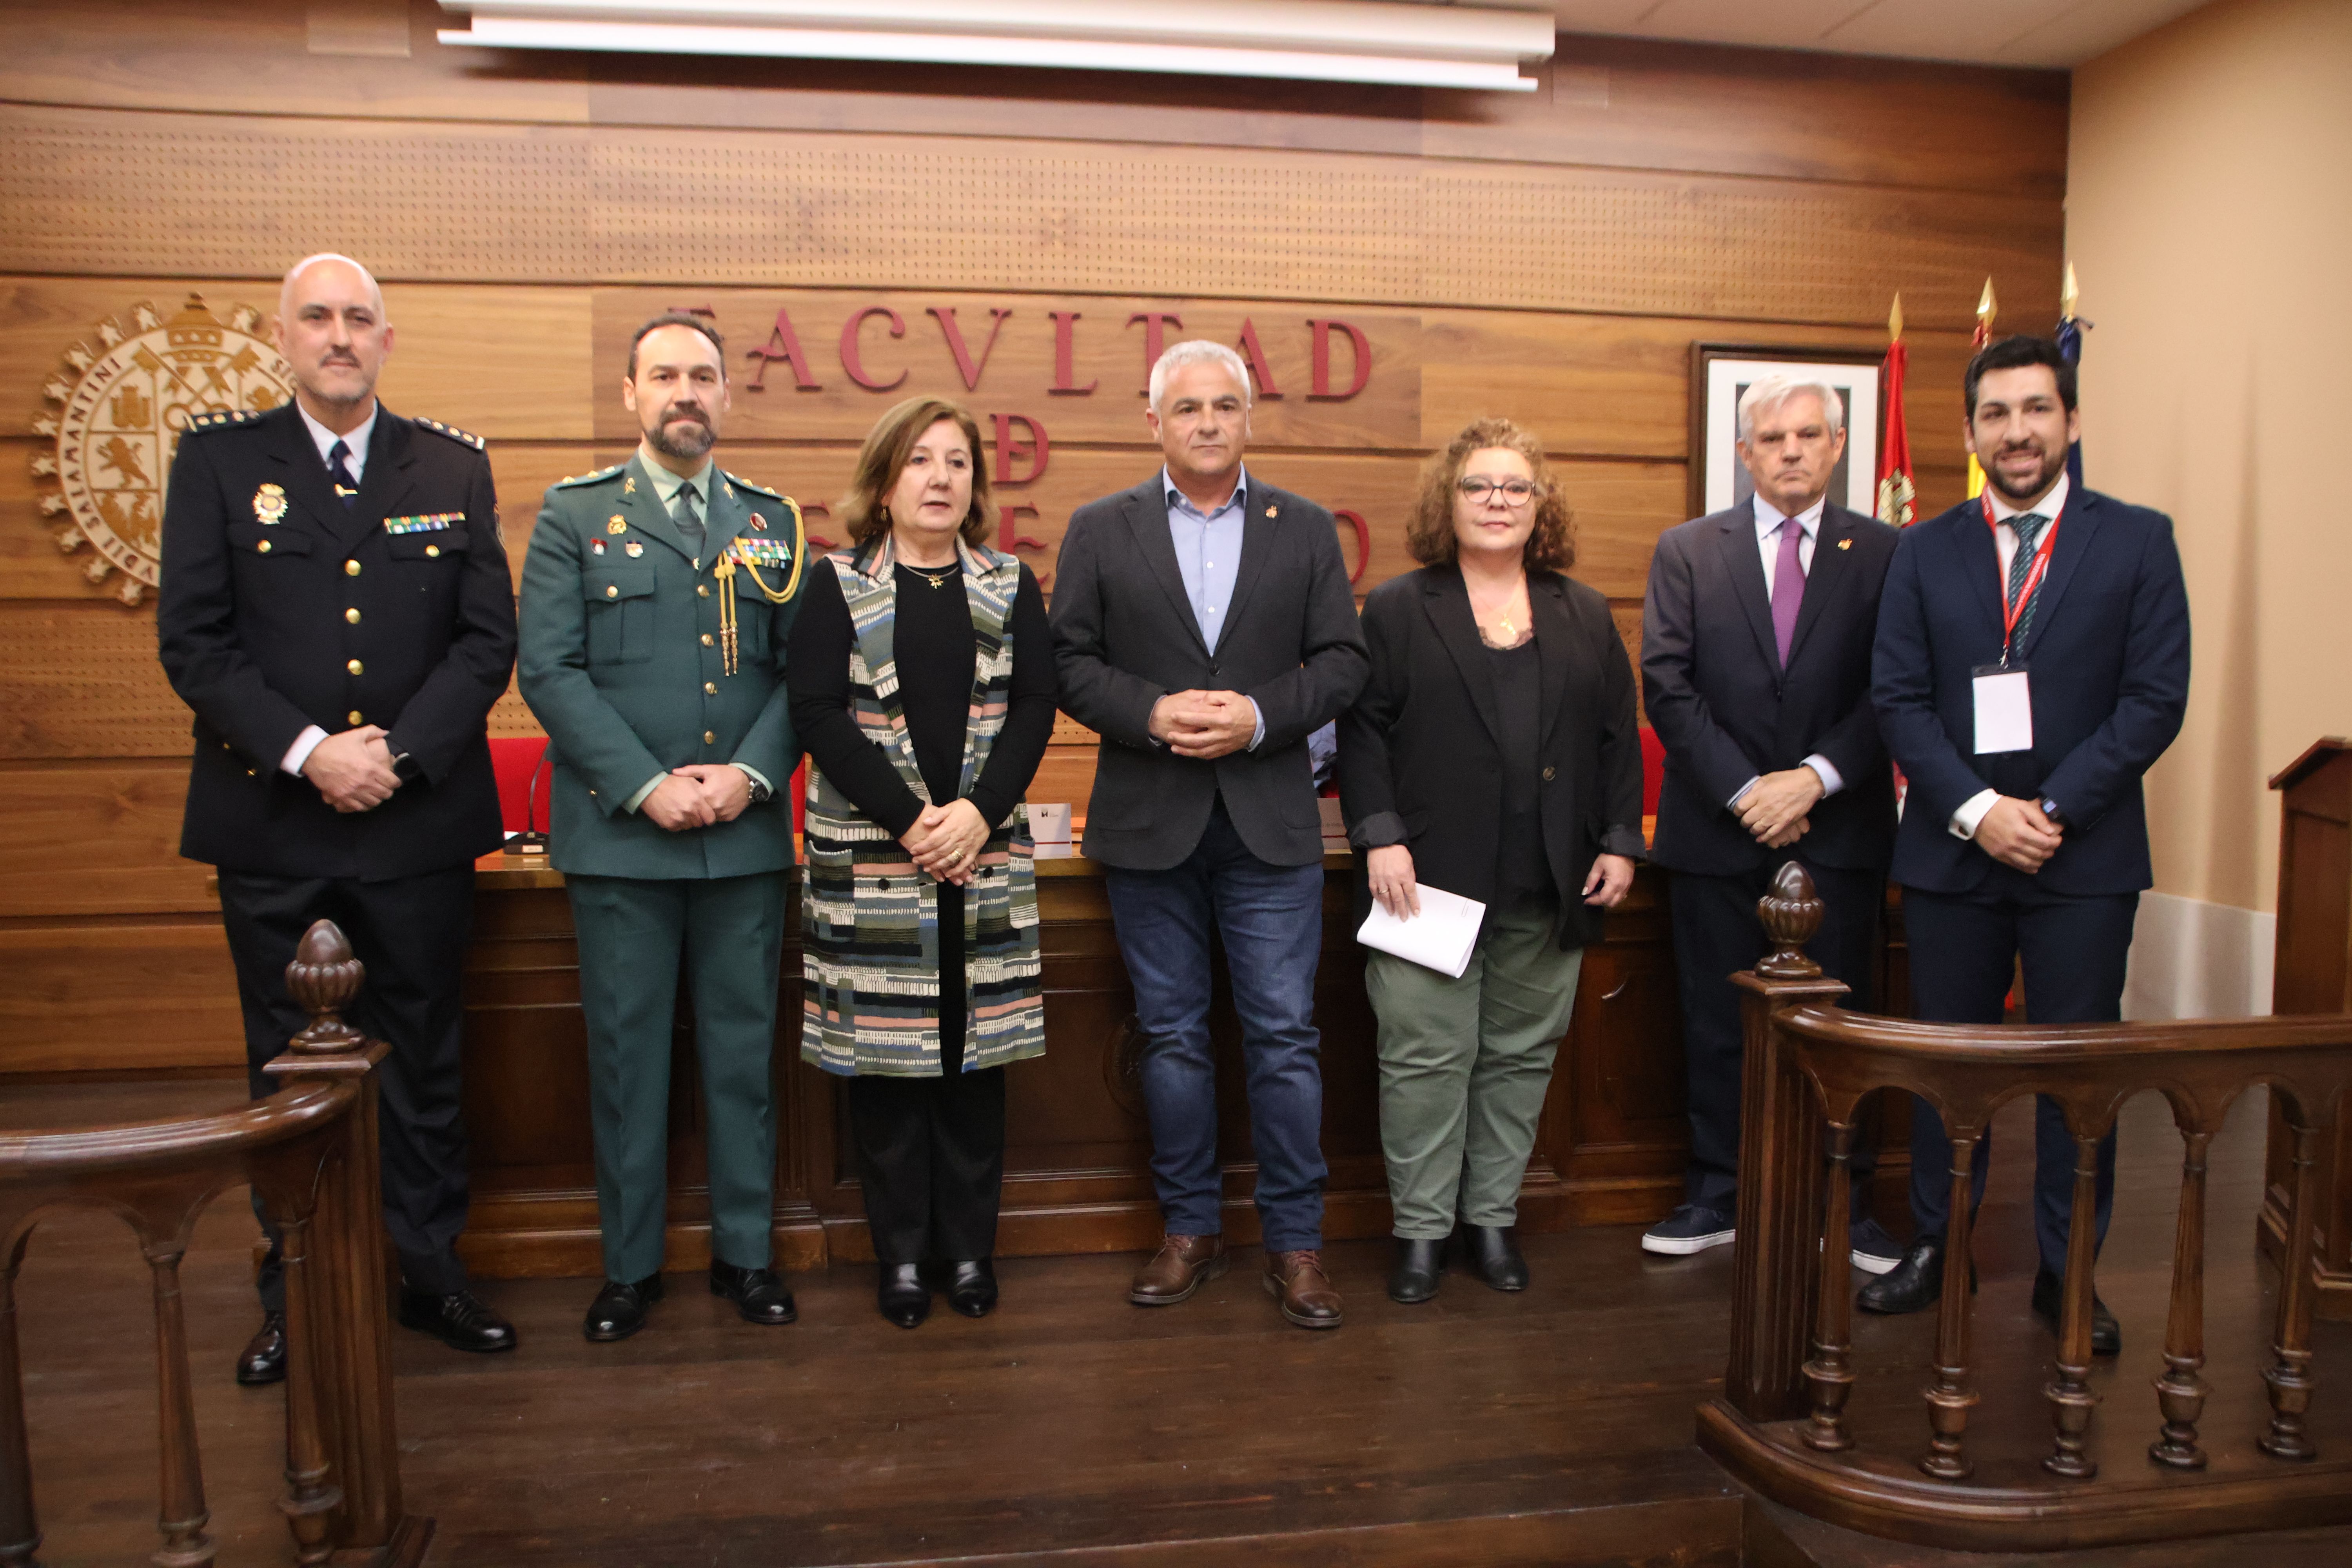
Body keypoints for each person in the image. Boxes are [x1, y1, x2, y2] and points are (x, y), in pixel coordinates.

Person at [158, 252, 519, 1381]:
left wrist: (397, 757)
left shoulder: (451, 466)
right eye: (317, 317)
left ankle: (426, 1271)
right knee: (287, 1069)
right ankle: (296, 1287)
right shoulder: (219, 463)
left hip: (413, 822)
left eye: (360, 317)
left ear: (387, 339)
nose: (339, 335)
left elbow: (484, 641)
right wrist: (316, 756)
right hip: (275, 820)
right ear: (283, 337)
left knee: (423, 1055)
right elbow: (196, 643)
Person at [1861, 334, 2191, 1355]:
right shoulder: (1921, 549)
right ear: (1970, 434)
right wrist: (1976, 812)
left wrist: (2048, 809)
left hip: (2082, 859)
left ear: (2072, 422)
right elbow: (1899, 700)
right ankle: (1939, 1247)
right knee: (1944, 1066)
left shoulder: (2138, 541)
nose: (2018, 431)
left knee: (2074, 1076)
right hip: (1953, 856)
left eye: (2037, 410)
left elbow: (2154, 700)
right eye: (1997, 415)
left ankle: (2069, 1268)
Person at [1051, 340, 1369, 1330]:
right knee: (1173, 1037)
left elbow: (1343, 661)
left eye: (1223, 405)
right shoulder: (1100, 528)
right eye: (1185, 407)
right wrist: (1151, 712)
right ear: (1155, 421)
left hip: (1268, 824)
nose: (1205, 423)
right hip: (1150, 821)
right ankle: (1188, 1229)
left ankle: (1296, 1245)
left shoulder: (1305, 528)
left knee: (1284, 1037)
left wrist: (1259, 716)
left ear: (1248, 418)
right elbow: (1068, 661)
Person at [517, 312, 806, 1343]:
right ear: (630, 393)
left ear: (727, 396)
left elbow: (797, 676)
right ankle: (630, 1268)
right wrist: (647, 786)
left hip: (741, 837)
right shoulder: (574, 515)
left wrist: (750, 776)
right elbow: (549, 672)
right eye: (666, 376)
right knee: (628, 1059)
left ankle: (747, 1257)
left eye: (705, 377)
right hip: (624, 840)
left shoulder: (775, 521)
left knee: (743, 1055)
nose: (687, 393)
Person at [1338, 418, 1643, 1304]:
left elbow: (1620, 736)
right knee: (1425, 1058)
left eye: (1516, 486)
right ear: (1450, 500)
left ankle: (1492, 1220)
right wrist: (1380, 831)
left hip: (1552, 878)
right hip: (1423, 880)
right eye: (1479, 486)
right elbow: (1362, 732)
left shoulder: (1581, 610)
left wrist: (1622, 839)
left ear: (1540, 504)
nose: (1498, 500)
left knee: (1519, 1057)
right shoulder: (1399, 606)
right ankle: (1424, 1233)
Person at [788, 396, 1055, 1328]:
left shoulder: (1009, 583)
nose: (941, 479)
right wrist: (915, 823)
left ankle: (970, 1253)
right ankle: (901, 1258)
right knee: (891, 1073)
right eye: (920, 462)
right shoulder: (836, 584)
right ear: (885, 481)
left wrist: (978, 816)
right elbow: (817, 713)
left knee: (975, 1065)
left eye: (957, 463)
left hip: (982, 858)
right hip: (876, 864)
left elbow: (1034, 709)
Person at [1638, 374, 1904, 1272]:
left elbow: (1897, 690)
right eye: (1772, 437)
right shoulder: (1687, 550)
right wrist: (1752, 789)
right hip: (1719, 828)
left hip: (1840, 828)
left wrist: (1814, 780)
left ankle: (1845, 1197)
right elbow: (1667, 685)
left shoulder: (1887, 551)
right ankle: (1717, 1190)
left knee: (1841, 1021)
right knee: (1716, 1019)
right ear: (1745, 452)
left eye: (1808, 434)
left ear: (1836, 446)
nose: (1791, 450)